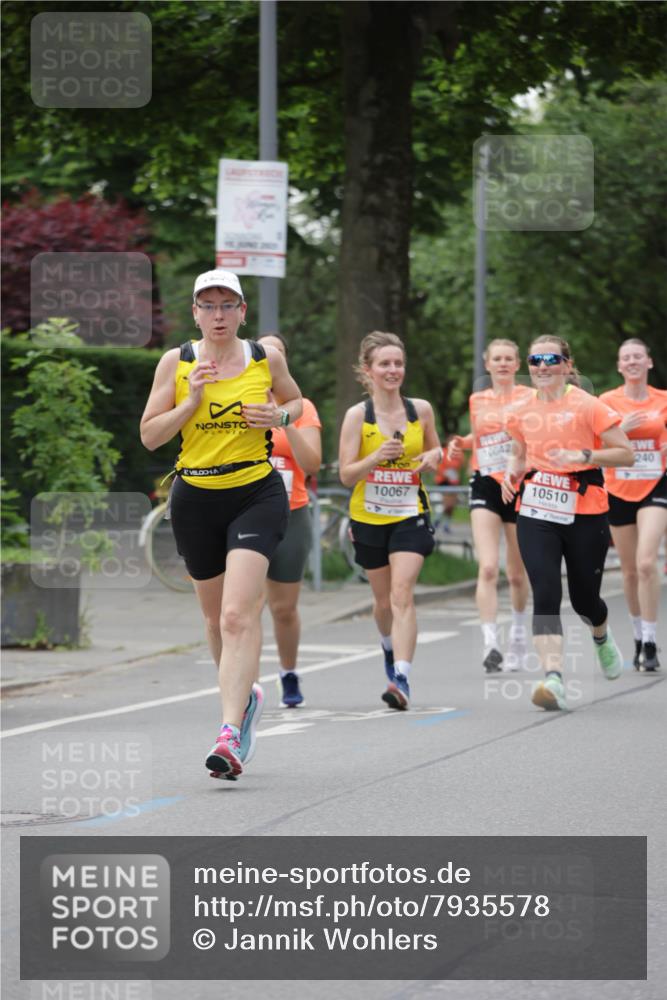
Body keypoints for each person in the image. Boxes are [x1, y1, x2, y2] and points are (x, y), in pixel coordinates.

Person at [140, 270, 302, 779]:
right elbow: (148, 436)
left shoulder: (263, 358)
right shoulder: (178, 362)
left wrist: (279, 419)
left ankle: (229, 734)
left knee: (237, 616)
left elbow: (296, 401)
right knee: (213, 622)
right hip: (195, 496)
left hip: (255, 491)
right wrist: (188, 402)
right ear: (194, 313)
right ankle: (246, 697)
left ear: (242, 312)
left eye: (226, 305)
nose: (217, 315)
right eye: (207, 306)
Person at [501, 335, 634, 712]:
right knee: (545, 591)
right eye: (535, 359)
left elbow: (625, 453)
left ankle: (601, 634)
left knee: (584, 599)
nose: (542, 366)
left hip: (586, 511)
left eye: (551, 359)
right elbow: (519, 450)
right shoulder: (521, 408)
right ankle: (553, 678)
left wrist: (584, 453)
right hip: (537, 509)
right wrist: (513, 471)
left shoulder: (588, 405)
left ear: (567, 365)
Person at [338, 331, 442, 709]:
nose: (393, 370)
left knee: (402, 593)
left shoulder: (421, 410)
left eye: (398, 363)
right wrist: (376, 457)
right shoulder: (357, 416)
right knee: (382, 602)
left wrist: (435, 457)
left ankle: (401, 677)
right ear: (368, 370)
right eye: (385, 363)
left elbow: (436, 449)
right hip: (368, 517)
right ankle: (388, 647)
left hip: (410, 514)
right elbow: (347, 475)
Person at [448, 340, 532, 673]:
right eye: (496, 359)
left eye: (508, 359)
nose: (502, 364)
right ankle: (490, 643)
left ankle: (518, 638)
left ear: (516, 364)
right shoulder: (477, 400)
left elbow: (532, 434)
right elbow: (479, 437)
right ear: (487, 364)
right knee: (487, 567)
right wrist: (460, 443)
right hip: (484, 481)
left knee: (515, 573)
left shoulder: (528, 397)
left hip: (517, 483)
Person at [257, 333, 322, 707]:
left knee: (283, 608)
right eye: (264, 352)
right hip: (245, 511)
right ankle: (245, 684)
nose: (270, 359)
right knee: (245, 608)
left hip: (291, 511)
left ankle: (289, 672)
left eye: (277, 353)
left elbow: (312, 464)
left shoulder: (303, 407)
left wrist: (283, 420)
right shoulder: (238, 399)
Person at [600, 339, 667, 671]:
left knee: (645, 563)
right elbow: (591, 440)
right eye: (626, 358)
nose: (632, 362)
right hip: (618, 487)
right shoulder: (606, 402)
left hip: (656, 483)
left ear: (649, 362)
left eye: (638, 356)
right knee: (628, 571)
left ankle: (653, 641)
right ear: (619, 366)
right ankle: (639, 636)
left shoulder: (664, 400)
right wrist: (619, 431)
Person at [433, 436, 464, 534]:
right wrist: (445, 474)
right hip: (443, 481)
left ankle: (445, 524)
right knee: (446, 503)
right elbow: (438, 467)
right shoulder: (443, 452)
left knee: (451, 505)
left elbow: (459, 466)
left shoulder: (459, 454)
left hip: (454, 482)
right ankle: (437, 520)